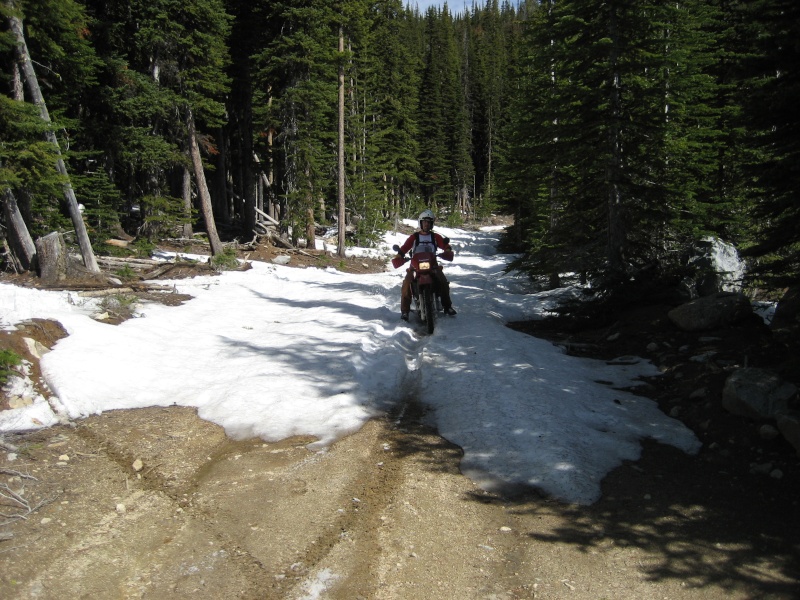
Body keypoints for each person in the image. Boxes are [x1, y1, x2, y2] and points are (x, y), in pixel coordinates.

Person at [395, 209, 457, 321]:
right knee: (406, 284)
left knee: (443, 281)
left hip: (432, 265)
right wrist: (399, 255)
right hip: (415, 266)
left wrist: (447, 249)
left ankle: (447, 306)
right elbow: (404, 248)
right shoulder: (414, 237)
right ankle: (405, 311)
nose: (426, 224)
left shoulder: (435, 237)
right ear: (420, 223)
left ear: (432, 224)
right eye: (424, 222)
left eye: (429, 222)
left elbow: (444, 244)